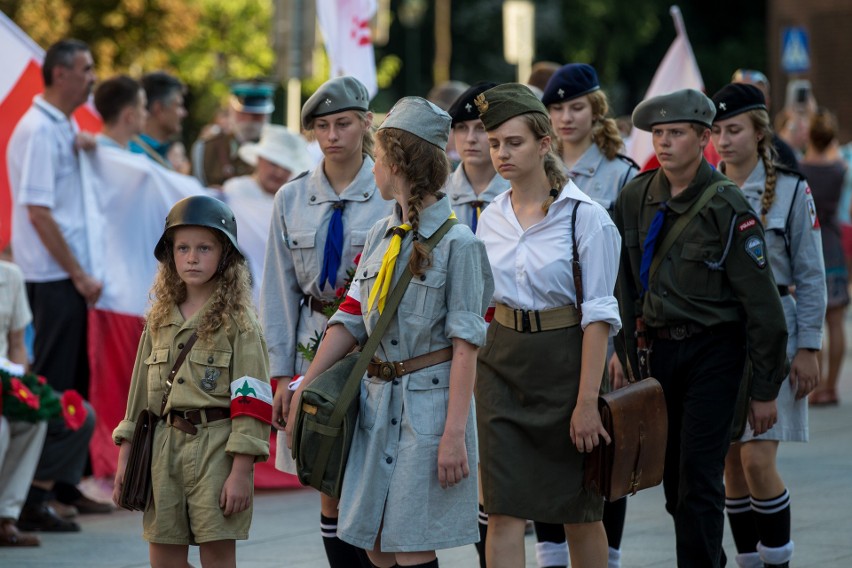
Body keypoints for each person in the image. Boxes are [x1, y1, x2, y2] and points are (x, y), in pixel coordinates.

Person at [285, 95, 493, 568]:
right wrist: (306, 388)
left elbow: (466, 347)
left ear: (397, 163)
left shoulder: (460, 245)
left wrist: (455, 435)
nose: (372, 168)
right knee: (375, 542)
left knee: (411, 544)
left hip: (428, 412)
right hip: (376, 406)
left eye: (377, 157)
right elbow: (351, 318)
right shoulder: (383, 233)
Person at [614, 88, 788, 568]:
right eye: (658, 134)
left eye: (676, 133)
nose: (664, 143)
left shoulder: (726, 205)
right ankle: (710, 557)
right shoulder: (635, 197)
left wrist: (765, 388)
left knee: (699, 480)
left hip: (716, 354)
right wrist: (622, 353)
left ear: (703, 137)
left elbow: (764, 308)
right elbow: (622, 284)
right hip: (658, 355)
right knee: (673, 486)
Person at [473, 83, 620, 568]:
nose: (501, 153)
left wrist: (586, 403)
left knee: (579, 510)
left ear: (544, 143)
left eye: (513, 142)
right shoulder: (489, 218)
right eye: (495, 143)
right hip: (501, 365)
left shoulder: (587, 219)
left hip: (566, 365)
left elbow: (599, 317)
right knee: (502, 511)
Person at [262, 76, 391, 567]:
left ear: (365, 124)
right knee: (324, 468)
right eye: (322, 126)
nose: (333, 135)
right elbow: (277, 292)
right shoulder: (290, 198)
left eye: (343, 123)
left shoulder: (388, 192)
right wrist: (279, 374)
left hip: (371, 347)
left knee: (370, 466)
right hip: (311, 341)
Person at [111, 195, 272, 568]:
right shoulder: (159, 319)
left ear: (225, 255)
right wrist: (125, 457)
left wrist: (242, 470)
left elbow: (253, 401)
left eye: (204, 247)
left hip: (217, 449)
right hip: (162, 452)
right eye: (182, 248)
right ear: (171, 255)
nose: (192, 257)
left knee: (217, 557)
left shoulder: (241, 322)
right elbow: (138, 397)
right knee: (163, 559)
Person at [711, 83, 826, 568]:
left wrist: (809, 347)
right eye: (715, 131)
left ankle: (777, 561)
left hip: (774, 333)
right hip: (718, 336)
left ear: (760, 133)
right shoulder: (703, 187)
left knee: (759, 458)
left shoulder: (794, 190)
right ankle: (749, 561)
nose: (723, 140)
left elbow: (810, 273)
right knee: (731, 465)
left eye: (734, 129)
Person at [7, 38, 109, 530]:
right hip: (51, 277)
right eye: (86, 68)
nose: (92, 77)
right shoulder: (37, 131)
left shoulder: (60, 126)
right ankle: (32, 496)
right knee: (51, 383)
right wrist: (78, 272)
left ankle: (64, 483)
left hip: (64, 277)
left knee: (73, 383)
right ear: (61, 74)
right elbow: (39, 212)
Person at [540, 62, 638, 568]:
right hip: (552, 330)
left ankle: (609, 554)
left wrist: (623, 347)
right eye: (555, 108)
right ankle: (552, 552)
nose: (565, 118)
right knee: (548, 442)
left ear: (595, 109)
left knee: (603, 443)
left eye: (575, 106)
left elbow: (630, 272)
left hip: (606, 326)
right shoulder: (539, 168)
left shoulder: (622, 173)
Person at [223, 124, 312, 304]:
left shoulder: (296, 201)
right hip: (237, 296)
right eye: (273, 163)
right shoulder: (235, 191)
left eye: (286, 166)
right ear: (259, 159)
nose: (279, 172)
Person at [798, 108, 849, 406]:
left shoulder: (800, 169)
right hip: (834, 242)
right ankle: (832, 386)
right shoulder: (840, 169)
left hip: (811, 244)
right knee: (836, 321)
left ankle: (817, 387)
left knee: (814, 321)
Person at [0, 259, 46, 547]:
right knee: (1, 427)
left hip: (4, 382)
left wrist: (22, 392)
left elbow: (17, 344)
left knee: (34, 417)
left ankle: (6, 518)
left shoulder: (10, 275)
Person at [445, 82, 508, 233]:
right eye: (462, 128)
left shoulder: (518, 192)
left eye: (481, 128)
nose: (470, 138)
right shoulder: (438, 194)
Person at [193, 80, 276, 187]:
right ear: (231, 110)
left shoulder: (279, 151)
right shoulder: (206, 149)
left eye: (259, 114)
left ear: (267, 116)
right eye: (245, 112)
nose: (251, 119)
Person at [731, 69, 799, 171]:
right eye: (737, 97)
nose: (743, 106)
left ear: (767, 104)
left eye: (752, 100)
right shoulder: (714, 146)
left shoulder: (782, 153)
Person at [129, 71, 187, 169]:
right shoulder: (135, 158)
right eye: (178, 106)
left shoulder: (162, 154)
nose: (184, 113)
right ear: (159, 109)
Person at [93, 75, 148, 150]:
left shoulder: (130, 150)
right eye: (143, 107)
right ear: (130, 115)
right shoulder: (94, 151)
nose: (146, 114)